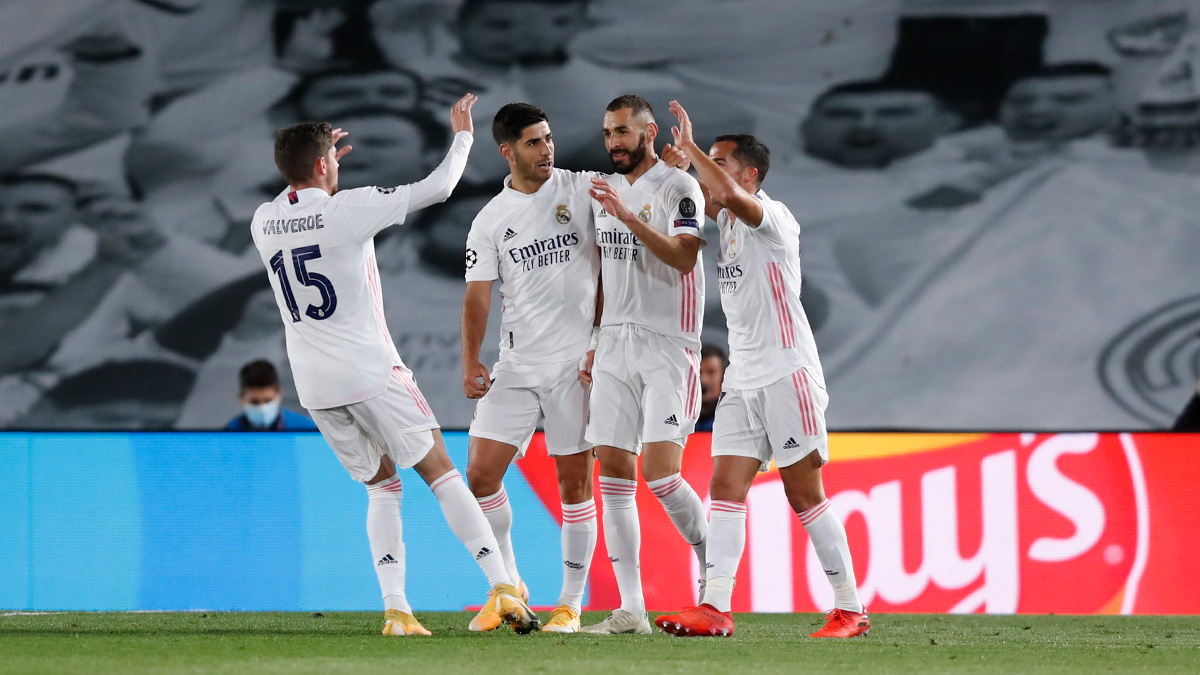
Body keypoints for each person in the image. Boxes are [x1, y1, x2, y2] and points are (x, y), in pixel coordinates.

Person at [250, 94, 539, 636]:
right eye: (331, 161)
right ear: (323, 165)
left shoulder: (264, 220)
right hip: (370, 371)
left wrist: (315, 161)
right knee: (441, 471)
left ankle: (397, 610)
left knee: (382, 488)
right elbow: (440, 187)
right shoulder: (346, 208)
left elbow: (296, 192)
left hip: (313, 384)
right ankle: (502, 587)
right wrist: (464, 138)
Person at [654, 101, 868, 639]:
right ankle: (715, 606)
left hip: (788, 371)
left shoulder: (773, 216)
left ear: (749, 174)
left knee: (804, 495)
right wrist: (675, 167)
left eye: (722, 162)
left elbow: (723, 194)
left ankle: (849, 607)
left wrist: (693, 147)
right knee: (724, 488)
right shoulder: (725, 220)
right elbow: (704, 197)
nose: (713, 171)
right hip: (743, 377)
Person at [460, 102, 600, 633]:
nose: (547, 150)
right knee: (479, 474)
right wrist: (471, 358)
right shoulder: (490, 219)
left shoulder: (582, 188)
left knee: (574, 485)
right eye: (534, 142)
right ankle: (512, 587)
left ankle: (570, 603)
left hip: (575, 363)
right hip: (516, 363)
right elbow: (477, 297)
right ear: (507, 151)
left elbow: (633, 197)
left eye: (548, 139)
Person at [578, 94, 708, 635]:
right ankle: (631, 609)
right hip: (613, 345)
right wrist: (593, 337)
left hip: (667, 346)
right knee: (612, 470)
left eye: (623, 133)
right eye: (608, 133)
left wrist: (628, 217)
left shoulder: (680, 187)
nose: (614, 143)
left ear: (649, 131)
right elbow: (606, 274)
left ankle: (712, 567)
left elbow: (683, 257)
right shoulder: (603, 193)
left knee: (660, 473)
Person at [225, 359, 316, 431]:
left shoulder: (307, 430)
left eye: (268, 400)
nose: (262, 408)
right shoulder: (228, 434)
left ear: (279, 393)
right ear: (241, 397)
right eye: (254, 402)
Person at [695, 344, 727, 432]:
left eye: (711, 372)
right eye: (698, 372)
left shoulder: (735, 423)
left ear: (724, 378)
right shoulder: (676, 424)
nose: (703, 380)